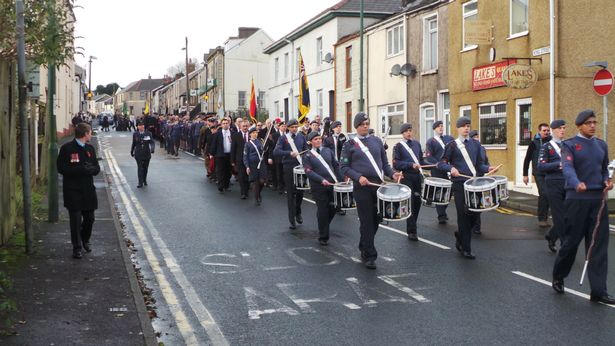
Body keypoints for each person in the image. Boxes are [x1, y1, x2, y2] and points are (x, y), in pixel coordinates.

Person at [552, 109, 615, 304]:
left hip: (598, 200)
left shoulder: (601, 145)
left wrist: (607, 180)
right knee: (571, 243)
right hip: (577, 200)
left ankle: (598, 290)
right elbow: (568, 168)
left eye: (595, 122)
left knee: (598, 246)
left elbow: (604, 169)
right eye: (588, 123)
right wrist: (576, 182)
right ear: (579, 125)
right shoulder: (570, 145)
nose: (593, 125)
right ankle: (559, 276)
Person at [340, 112, 402, 269]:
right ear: (356, 126)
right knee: (367, 220)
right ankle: (370, 255)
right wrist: (358, 176)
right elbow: (344, 167)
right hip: (362, 187)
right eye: (362, 124)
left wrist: (392, 173)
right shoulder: (349, 145)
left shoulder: (377, 141)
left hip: (378, 185)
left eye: (367, 123)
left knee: (376, 220)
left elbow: (385, 164)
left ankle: (363, 244)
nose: (365, 126)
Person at [437, 116, 496, 259]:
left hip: (474, 184)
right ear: (458, 128)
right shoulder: (452, 145)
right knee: (463, 216)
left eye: (468, 126)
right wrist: (451, 169)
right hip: (459, 185)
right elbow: (441, 163)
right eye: (463, 126)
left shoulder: (475, 145)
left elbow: (479, 165)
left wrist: (488, 168)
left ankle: (460, 235)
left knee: (475, 215)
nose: (466, 128)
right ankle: (466, 248)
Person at [57, 123, 101, 259]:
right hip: (73, 190)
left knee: (90, 218)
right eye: (90, 132)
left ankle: (85, 239)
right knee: (75, 220)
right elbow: (61, 168)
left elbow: (97, 168)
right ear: (85, 134)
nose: (91, 134)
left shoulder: (90, 148)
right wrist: (80, 169)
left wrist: (91, 169)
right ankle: (77, 248)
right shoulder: (67, 148)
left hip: (88, 190)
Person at [303, 131, 343, 246]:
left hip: (333, 184)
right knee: (323, 209)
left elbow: (336, 165)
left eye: (319, 138)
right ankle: (323, 236)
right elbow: (308, 171)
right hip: (318, 187)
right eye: (315, 139)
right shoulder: (307, 155)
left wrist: (342, 180)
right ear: (310, 142)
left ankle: (323, 224)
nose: (318, 141)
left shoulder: (327, 151)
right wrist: (321, 180)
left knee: (334, 208)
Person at [392, 123, 428, 241]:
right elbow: (396, 163)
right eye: (406, 131)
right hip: (406, 177)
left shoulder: (417, 144)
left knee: (417, 203)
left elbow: (421, 161)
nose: (409, 132)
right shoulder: (398, 146)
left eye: (410, 130)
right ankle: (412, 230)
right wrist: (410, 165)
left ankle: (413, 225)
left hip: (417, 177)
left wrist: (435, 165)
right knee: (411, 203)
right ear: (402, 133)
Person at [537, 120, 567, 253]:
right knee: (559, 216)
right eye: (560, 128)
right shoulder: (547, 147)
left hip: (568, 183)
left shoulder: (568, 146)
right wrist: (557, 165)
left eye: (564, 128)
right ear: (553, 130)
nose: (562, 130)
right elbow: (541, 166)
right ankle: (566, 246)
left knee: (569, 216)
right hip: (553, 183)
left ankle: (551, 235)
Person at [274, 119, 308, 229]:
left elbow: (306, 150)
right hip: (288, 167)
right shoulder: (283, 138)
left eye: (296, 127)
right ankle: (292, 218)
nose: (294, 129)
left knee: (300, 192)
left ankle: (298, 211)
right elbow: (276, 151)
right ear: (288, 128)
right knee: (290, 193)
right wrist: (289, 153)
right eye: (292, 127)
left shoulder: (301, 136)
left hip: (300, 167)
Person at [523, 123, 552, 227]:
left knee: (548, 194)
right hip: (538, 173)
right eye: (544, 131)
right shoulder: (534, 143)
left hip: (549, 172)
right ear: (539, 131)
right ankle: (542, 219)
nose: (546, 132)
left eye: (548, 131)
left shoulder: (551, 142)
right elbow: (527, 159)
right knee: (544, 193)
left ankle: (545, 217)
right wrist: (525, 175)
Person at [425, 121, 454, 224]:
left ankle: (443, 210)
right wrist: (438, 164)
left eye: (442, 126)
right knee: (440, 192)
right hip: (437, 170)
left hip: (449, 168)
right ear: (434, 129)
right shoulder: (431, 141)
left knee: (450, 191)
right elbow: (429, 156)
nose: (441, 128)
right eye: (438, 127)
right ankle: (441, 215)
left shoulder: (449, 139)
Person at [323, 121, 348, 215]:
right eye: (337, 127)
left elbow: (347, 149)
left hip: (341, 164)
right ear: (333, 129)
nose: (339, 128)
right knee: (333, 184)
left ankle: (340, 205)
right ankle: (333, 203)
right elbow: (324, 150)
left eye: (340, 126)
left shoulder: (343, 137)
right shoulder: (327, 139)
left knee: (341, 184)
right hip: (332, 164)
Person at [469, 130, 488, 235]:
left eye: (477, 136)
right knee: (472, 203)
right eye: (474, 137)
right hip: (470, 179)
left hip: (480, 178)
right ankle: (472, 225)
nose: (477, 138)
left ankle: (476, 227)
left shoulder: (482, 148)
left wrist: (489, 168)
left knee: (479, 203)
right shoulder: (469, 149)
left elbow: (485, 162)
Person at [243, 127, 269, 205]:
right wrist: (247, 166)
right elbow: (245, 156)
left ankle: (258, 193)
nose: (255, 134)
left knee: (262, 181)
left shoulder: (261, 141)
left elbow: (265, 149)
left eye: (256, 132)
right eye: (253, 133)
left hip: (261, 164)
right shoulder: (247, 144)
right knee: (256, 182)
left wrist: (266, 146)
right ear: (250, 134)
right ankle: (257, 197)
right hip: (252, 165)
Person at [209, 118, 233, 193]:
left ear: (229, 124)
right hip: (220, 155)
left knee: (228, 171)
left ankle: (226, 185)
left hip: (229, 154)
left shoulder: (232, 133)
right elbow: (214, 144)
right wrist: (211, 154)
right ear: (221, 125)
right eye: (224, 123)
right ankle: (220, 185)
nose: (225, 124)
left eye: (227, 123)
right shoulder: (217, 134)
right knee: (220, 170)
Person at [130, 121, 155, 188]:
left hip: (147, 154)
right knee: (140, 168)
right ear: (137, 127)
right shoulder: (135, 134)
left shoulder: (148, 133)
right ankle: (140, 182)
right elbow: (134, 143)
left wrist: (152, 149)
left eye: (143, 125)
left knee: (145, 168)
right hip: (138, 154)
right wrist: (132, 151)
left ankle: (144, 180)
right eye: (140, 125)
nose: (142, 126)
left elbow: (152, 142)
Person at [231, 120, 251, 199]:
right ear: (240, 127)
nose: (245, 127)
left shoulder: (251, 135)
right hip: (240, 159)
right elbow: (233, 148)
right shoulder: (236, 135)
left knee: (248, 176)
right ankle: (243, 192)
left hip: (250, 159)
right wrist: (232, 161)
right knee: (241, 176)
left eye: (246, 126)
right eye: (243, 126)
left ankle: (247, 189)